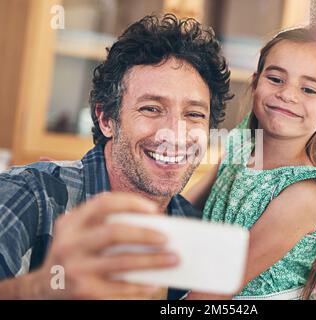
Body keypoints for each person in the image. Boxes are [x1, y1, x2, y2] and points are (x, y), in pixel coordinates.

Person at [0, 13, 232, 299]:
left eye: (194, 114)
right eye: (151, 109)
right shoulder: (32, 194)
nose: (175, 133)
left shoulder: (195, 234)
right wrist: (45, 288)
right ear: (106, 118)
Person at [185, 26, 316, 300]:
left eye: (309, 89)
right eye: (275, 79)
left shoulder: (305, 192)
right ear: (255, 82)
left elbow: (220, 285)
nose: (288, 94)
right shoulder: (240, 149)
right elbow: (182, 212)